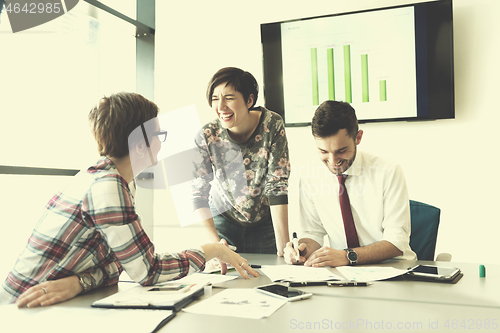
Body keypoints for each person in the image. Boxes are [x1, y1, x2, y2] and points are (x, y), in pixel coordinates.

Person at [0, 92, 258, 307]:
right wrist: (212, 249)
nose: (161, 143)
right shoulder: (108, 187)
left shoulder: (105, 178)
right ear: (139, 145)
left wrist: (81, 282)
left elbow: (121, 264)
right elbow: (148, 272)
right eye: (158, 135)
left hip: (46, 303)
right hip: (21, 308)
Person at [284, 100, 416, 267]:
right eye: (324, 151)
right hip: (343, 273)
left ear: (358, 137)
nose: (332, 161)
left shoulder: (388, 171)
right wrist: (300, 250)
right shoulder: (309, 177)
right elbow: (313, 233)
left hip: (393, 268)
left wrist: (348, 256)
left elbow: (397, 241)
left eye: (341, 151)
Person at [192, 67, 291, 257]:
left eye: (229, 98)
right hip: (222, 218)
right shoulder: (206, 135)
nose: (221, 107)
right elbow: (197, 194)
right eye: (215, 98)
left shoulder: (272, 124)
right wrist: (215, 242)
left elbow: (277, 185)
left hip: (264, 221)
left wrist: (285, 247)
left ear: (249, 100)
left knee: (273, 275)